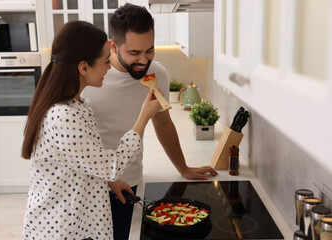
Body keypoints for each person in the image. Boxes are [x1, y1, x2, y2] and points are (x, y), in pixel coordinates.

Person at [81, 3, 218, 240]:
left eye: (150, 50)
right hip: (88, 184)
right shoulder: (90, 77)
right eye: (134, 53)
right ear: (113, 46)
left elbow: (163, 124)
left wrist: (183, 168)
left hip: (127, 181)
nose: (144, 60)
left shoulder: (157, 74)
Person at [21, 20, 162, 240]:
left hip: (80, 220)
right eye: (106, 61)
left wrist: (108, 182)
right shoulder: (63, 116)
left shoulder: (78, 105)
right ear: (84, 67)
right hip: (63, 228)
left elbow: (82, 161)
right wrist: (143, 116)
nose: (109, 67)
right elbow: (111, 165)